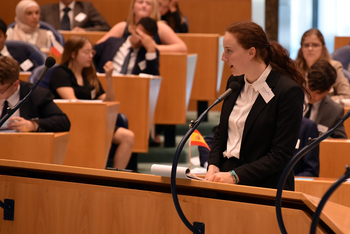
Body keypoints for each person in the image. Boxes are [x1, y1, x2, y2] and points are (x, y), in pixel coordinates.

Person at [205, 21, 307, 191]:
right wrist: (214, 164)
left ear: (251, 52)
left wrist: (235, 176)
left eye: (229, 51)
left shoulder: (287, 91)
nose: (223, 57)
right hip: (226, 181)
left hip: (265, 186)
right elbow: (221, 132)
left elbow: (280, 155)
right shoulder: (235, 82)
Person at [49, 35, 135, 169]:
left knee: (128, 137)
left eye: (92, 52)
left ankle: (117, 178)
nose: (90, 56)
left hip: (93, 122)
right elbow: (73, 102)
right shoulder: (60, 73)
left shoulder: (88, 74)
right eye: (86, 52)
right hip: (72, 123)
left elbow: (109, 100)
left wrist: (109, 78)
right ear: (73, 54)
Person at [0, 56, 70, 132]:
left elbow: (63, 122)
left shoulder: (36, 95)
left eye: (0, 90)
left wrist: (33, 125)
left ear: (15, 85)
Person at [96, 0, 187, 53]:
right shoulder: (122, 26)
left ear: (153, 9)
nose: (143, 5)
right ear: (133, 8)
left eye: (148, 3)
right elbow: (98, 46)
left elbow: (182, 48)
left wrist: (155, 48)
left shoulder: (160, 27)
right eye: (140, 2)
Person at [296, 28, 350, 102]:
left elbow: (347, 96)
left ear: (323, 48)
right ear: (301, 48)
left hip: (325, 112)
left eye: (315, 45)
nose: (310, 48)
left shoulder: (333, 67)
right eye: (306, 45)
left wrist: (321, 101)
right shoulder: (295, 68)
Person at [93, 17, 159, 75]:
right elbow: (91, 55)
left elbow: (152, 79)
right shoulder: (111, 42)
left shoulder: (149, 53)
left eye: (143, 37)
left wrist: (150, 50)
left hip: (131, 86)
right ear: (133, 28)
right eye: (138, 33)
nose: (138, 39)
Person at [304, 60, 347, 139]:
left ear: (328, 90)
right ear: (307, 80)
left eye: (318, 93)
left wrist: (322, 139)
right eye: (310, 90)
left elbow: (341, 143)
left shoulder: (335, 111)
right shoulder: (292, 99)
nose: (311, 96)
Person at [40, 0, 111, 32]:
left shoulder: (86, 7)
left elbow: (105, 27)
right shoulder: (45, 9)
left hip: (78, 46)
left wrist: (85, 30)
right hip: (54, 47)